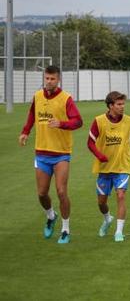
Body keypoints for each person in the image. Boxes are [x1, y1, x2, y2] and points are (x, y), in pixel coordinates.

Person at [18, 65, 83, 244]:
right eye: (47, 78)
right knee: (41, 194)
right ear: (44, 78)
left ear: (58, 79)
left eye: (52, 79)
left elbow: (78, 121)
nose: (49, 81)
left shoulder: (66, 99)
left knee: (61, 192)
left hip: (61, 153)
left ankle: (65, 229)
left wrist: (61, 123)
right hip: (41, 153)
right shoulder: (38, 96)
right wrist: (25, 132)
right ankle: (50, 216)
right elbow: (32, 114)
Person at [87, 91, 130, 242]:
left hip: (122, 167)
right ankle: (107, 218)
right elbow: (90, 143)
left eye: (123, 104)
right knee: (101, 202)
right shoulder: (99, 121)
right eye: (119, 104)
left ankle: (119, 231)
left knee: (121, 195)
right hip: (104, 169)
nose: (122, 107)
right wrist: (99, 155)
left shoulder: (129, 121)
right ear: (110, 106)